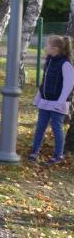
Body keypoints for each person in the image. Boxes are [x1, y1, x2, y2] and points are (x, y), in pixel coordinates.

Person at [28, 35, 74, 165]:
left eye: (47, 45)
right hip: (45, 101)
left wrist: (60, 102)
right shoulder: (49, 61)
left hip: (58, 104)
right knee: (40, 127)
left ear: (55, 49)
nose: (45, 47)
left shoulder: (65, 64)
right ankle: (34, 152)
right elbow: (45, 82)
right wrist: (38, 97)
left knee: (56, 128)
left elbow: (69, 84)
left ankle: (58, 155)